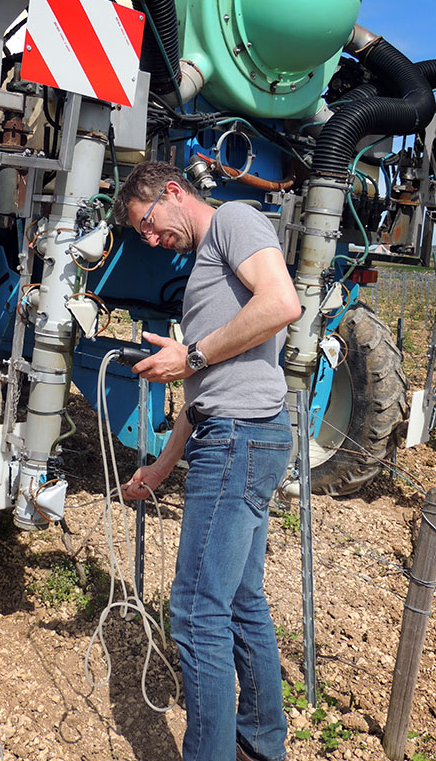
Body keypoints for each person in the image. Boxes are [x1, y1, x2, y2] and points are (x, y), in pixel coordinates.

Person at [114, 160, 301, 761]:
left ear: (173, 192)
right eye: (140, 234)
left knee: (195, 613)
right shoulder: (207, 270)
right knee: (242, 600)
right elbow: (205, 392)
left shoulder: (235, 220)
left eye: (147, 222)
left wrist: (190, 356)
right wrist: (162, 467)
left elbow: (282, 303)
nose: (149, 239)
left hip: (239, 440)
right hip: (242, 434)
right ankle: (260, 742)